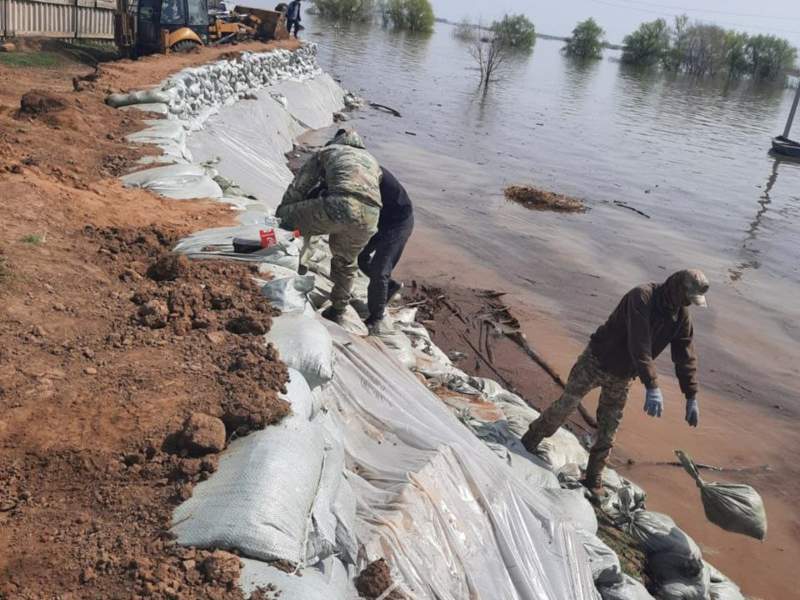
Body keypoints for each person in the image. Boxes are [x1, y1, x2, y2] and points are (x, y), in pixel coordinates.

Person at [521, 269, 710, 496]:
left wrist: (691, 396)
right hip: (596, 361)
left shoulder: (680, 317)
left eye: (692, 302)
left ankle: (593, 478)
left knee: (609, 429)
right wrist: (652, 385)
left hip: (623, 376)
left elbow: (685, 355)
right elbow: (638, 342)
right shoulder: (641, 297)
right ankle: (529, 441)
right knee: (565, 407)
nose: (688, 304)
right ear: (678, 288)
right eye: (687, 298)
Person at [276, 129, 382, 325]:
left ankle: (285, 267)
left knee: (286, 218)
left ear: (337, 140)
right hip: (370, 218)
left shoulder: (329, 151)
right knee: (346, 262)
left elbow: (300, 185)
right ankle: (338, 310)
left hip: (341, 205)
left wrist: (284, 213)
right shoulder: (372, 161)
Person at [357, 167, 414, 334]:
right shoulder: (354, 169)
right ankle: (390, 285)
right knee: (361, 257)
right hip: (381, 221)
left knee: (380, 269)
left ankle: (376, 317)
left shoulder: (369, 172)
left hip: (399, 224)